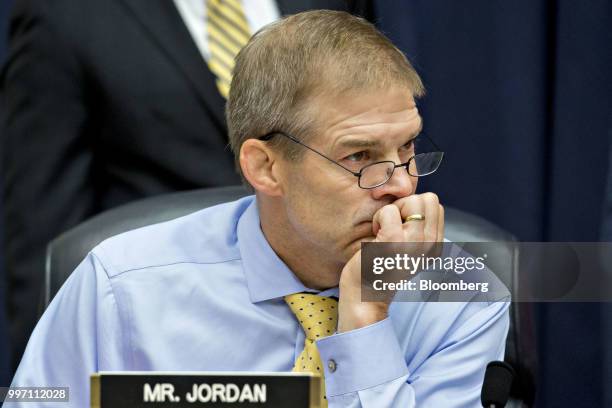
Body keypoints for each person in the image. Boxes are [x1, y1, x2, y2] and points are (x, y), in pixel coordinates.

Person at [8, 11, 509, 407]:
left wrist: (367, 319)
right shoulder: (120, 286)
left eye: (407, 150)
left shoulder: (463, 298)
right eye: (359, 156)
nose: (400, 185)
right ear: (265, 167)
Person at [0, 0, 374, 370]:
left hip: (340, 290)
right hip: (164, 330)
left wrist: (373, 315)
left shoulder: (420, 277)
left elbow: (375, 125)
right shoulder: (62, 13)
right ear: (261, 166)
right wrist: (48, 354)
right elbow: (41, 214)